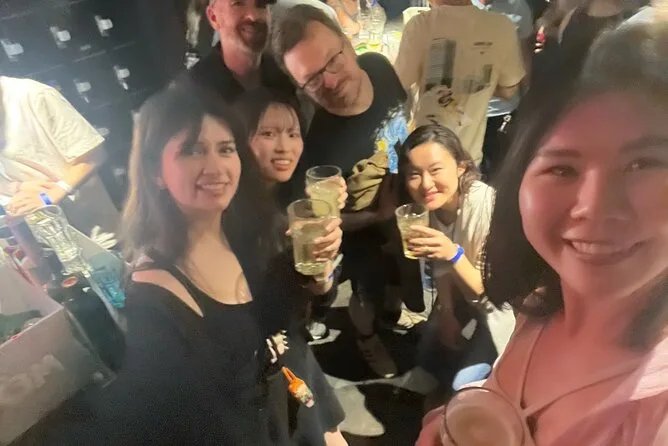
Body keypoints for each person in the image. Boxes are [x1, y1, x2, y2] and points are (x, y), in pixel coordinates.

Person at [38, 86, 344, 445]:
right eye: (192, 150)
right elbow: (174, 417)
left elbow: (296, 322)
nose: (215, 167)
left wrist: (320, 273)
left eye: (225, 149)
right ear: (155, 172)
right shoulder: (154, 293)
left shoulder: (255, 229)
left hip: (302, 398)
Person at [417, 21, 668, 445]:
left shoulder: (653, 410)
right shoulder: (541, 305)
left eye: (642, 164)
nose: (595, 207)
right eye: (562, 168)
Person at [272, 4, 411, 378]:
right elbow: (313, 223)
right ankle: (366, 339)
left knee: (401, 278)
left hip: (402, 205)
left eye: (333, 61)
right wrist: (374, 216)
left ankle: (391, 309)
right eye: (313, 79)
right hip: (360, 233)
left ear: (348, 44)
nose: (330, 81)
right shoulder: (312, 145)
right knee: (369, 289)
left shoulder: (379, 67)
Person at [397, 125, 515, 393]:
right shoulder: (431, 210)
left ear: (461, 167)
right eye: (414, 174)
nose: (426, 184)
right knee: (428, 349)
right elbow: (440, 266)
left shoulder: (485, 205)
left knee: (462, 385)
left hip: (501, 308)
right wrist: (448, 313)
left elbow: (489, 290)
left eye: (436, 170)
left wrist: (453, 253)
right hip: (464, 298)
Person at [235, 87, 348, 341]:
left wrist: (322, 272)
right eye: (268, 133)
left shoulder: (301, 204)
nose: (284, 147)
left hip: (291, 332)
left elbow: (321, 304)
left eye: (293, 134)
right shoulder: (229, 210)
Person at [394, 0, 526, 166]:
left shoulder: (420, 24)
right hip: (469, 155)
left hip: (427, 151)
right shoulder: (502, 26)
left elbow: (399, 84)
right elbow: (509, 90)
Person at [0, 76, 118, 236]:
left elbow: (94, 155)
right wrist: (16, 187)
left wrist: (48, 198)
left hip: (91, 233)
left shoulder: (35, 95)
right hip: (35, 237)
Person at [181, 0, 294, 104]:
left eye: (261, 5)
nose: (253, 16)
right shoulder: (192, 93)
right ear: (214, 17)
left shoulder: (286, 80)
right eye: (238, 4)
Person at [471, 0, 533, 179]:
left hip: (502, 111)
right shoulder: (456, 6)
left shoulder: (518, 7)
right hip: (463, 111)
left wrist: (527, 98)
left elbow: (524, 56)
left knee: (499, 174)